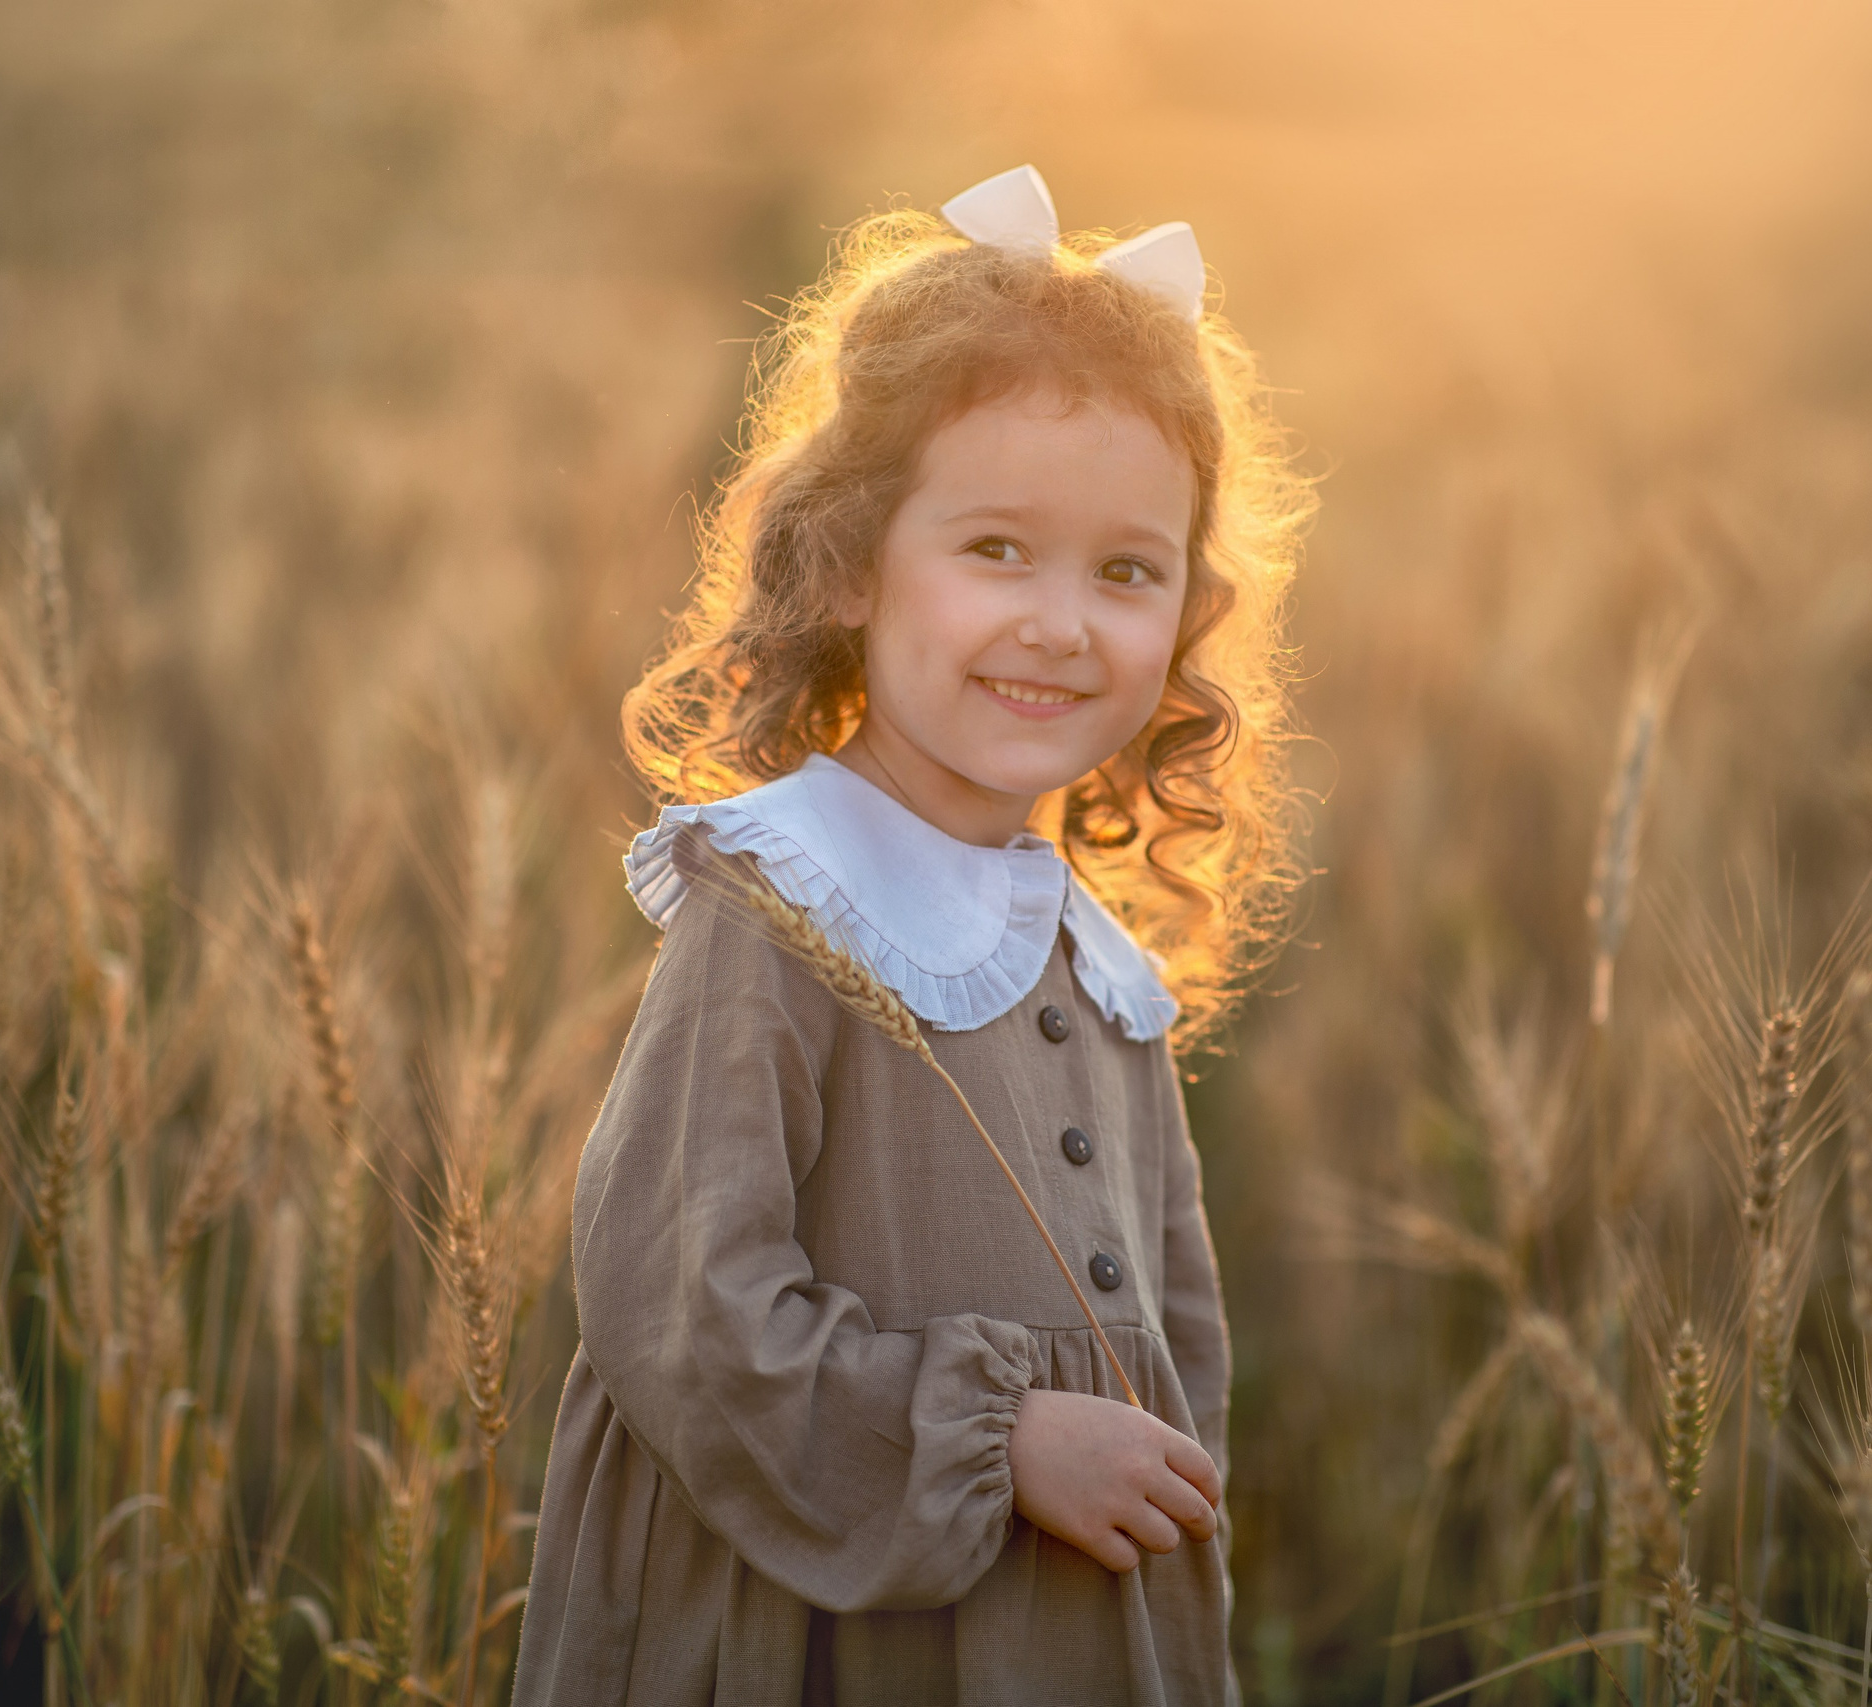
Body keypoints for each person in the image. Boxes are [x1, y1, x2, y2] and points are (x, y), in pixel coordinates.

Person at [512, 165, 1313, 1705]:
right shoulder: (783, 906)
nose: (1062, 623)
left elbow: (1174, 1329)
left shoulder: (1089, 955)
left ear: (1186, 621)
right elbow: (679, 1301)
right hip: (811, 1637)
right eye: (997, 549)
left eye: (1127, 571)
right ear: (852, 558)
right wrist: (997, 1439)